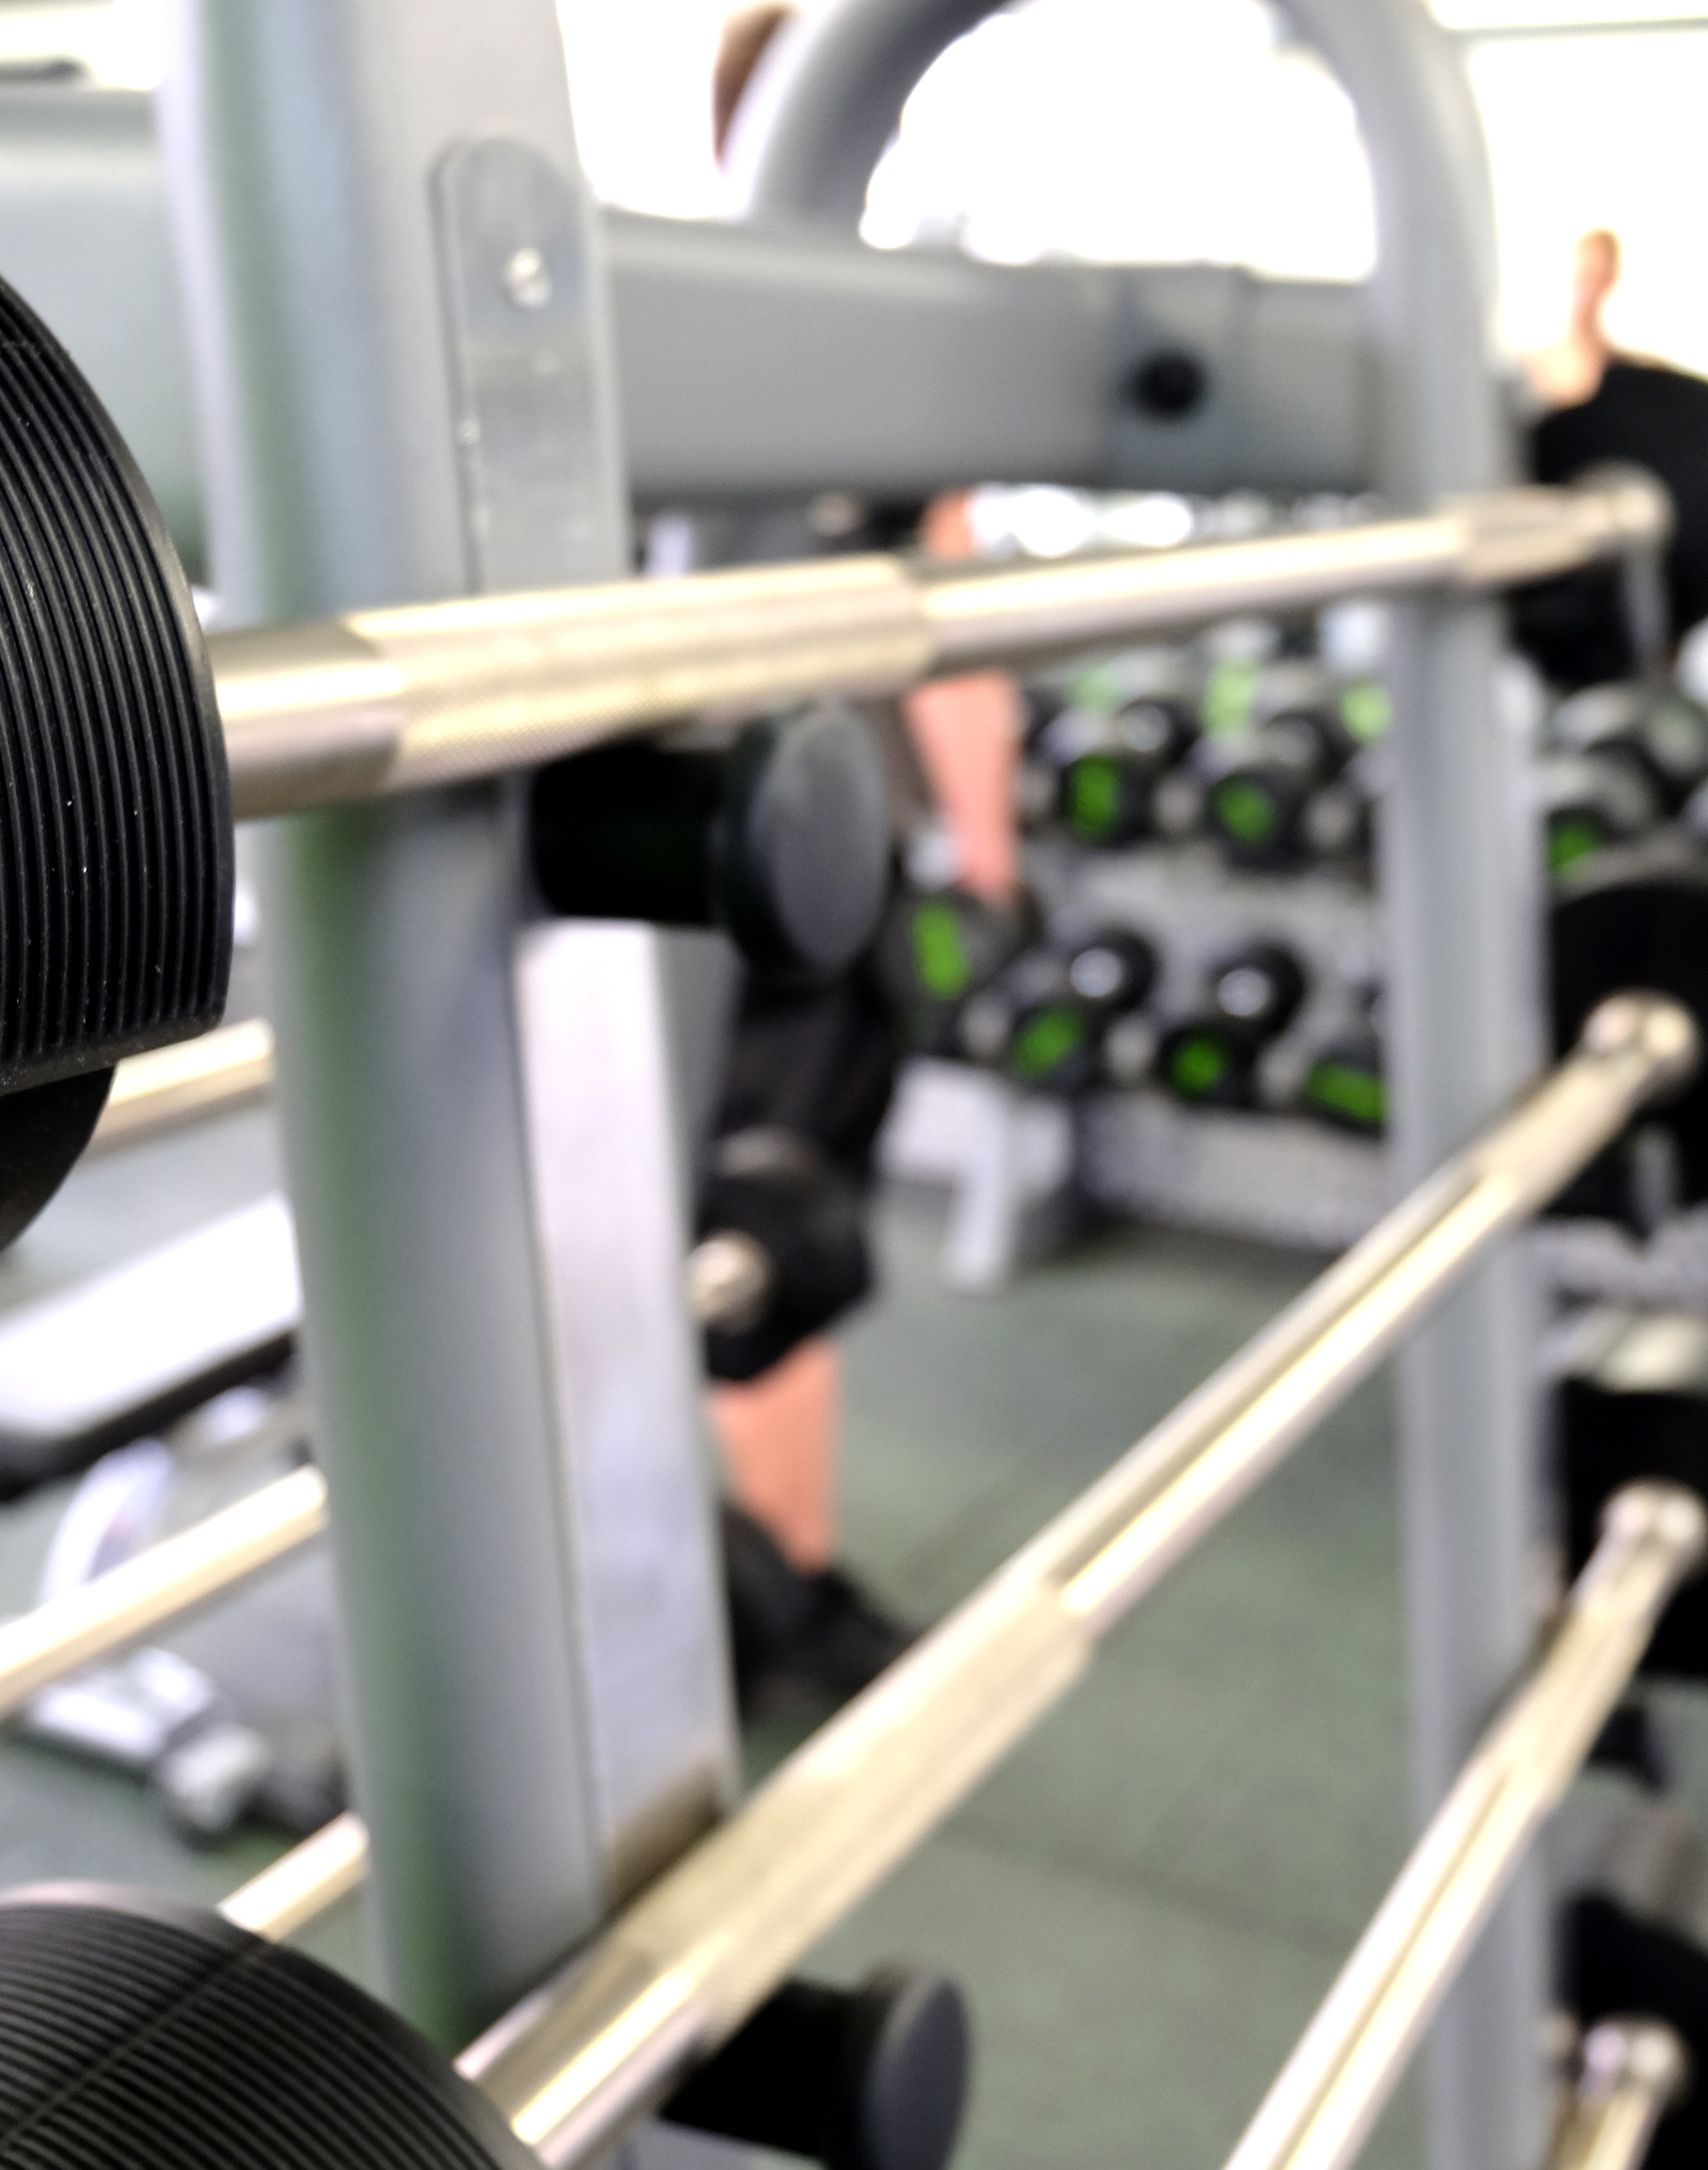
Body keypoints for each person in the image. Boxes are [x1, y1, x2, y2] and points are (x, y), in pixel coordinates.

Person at [700, 13, 1028, 1712]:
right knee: (778, 1225)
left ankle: (702, 1569)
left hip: (631, 869)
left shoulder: (632, 308)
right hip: (805, 877)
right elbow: (957, 643)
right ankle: (782, 1585)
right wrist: (994, 863)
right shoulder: (878, 341)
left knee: (673, 1206)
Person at [1509, 230, 1708, 692]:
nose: (1590, 286)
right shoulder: (1533, 373)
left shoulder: (1642, 380)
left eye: (1601, 274)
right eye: (1584, 273)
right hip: (1541, 600)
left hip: (1638, 612)